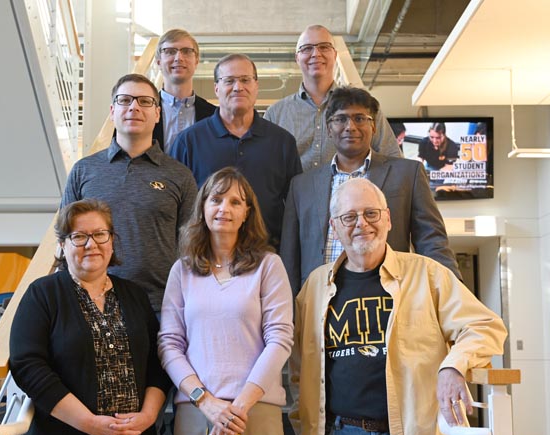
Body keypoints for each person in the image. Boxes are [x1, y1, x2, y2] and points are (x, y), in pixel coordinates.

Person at [289, 178, 507, 435]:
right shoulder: (315, 288)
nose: (362, 223)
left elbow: (485, 326)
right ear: (335, 227)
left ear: (388, 219)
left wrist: (454, 364)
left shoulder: (428, 275)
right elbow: (297, 373)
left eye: (371, 213)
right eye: (349, 217)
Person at [9, 199, 171, 435]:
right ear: (61, 246)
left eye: (100, 234)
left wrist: (147, 418)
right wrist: (90, 423)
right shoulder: (42, 295)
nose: (91, 244)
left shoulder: (134, 295)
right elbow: (28, 366)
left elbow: (157, 364)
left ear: (112, 241)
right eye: (79, 236)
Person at [158, 167, 294, 435]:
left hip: (254, 413)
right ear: (202, 207)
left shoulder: (268, 266)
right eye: (216, 199)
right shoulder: (183, 270)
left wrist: (237, 408)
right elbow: (169, 344)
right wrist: (206, 402)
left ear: (247, 212)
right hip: (195, 412)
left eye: (236, 201)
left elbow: (280, 338)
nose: (225, 208)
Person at [280, 86, 460, 297]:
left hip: (387, 297)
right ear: (329, 129)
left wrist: (454, 292)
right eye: (340, 119)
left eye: (359, 118)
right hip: (319, 300)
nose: (350, 126)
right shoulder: (301, 186)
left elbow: (432, 241)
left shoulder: (407, 174)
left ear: (374, 127)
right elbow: (289, 258)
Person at [62, 73, 197, 314]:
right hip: (92, 305)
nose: (134, 107)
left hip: (161, 307)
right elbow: (65, 240)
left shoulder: (180, 175)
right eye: (125, 100)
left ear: (157, 114)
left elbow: (192, 248)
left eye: (144, 101)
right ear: (113, 111)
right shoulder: (84, 170)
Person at [170, 53, 302, 249]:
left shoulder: (282, 142)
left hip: (266, 256)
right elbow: (175, 209)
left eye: (245, 80)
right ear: (216, 88)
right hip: (204, 257)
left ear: (256, 86)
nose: (238, 87)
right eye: (229, 81)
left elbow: (295, 209)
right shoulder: (188, 141)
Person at [264, 24, 402, 173]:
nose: (316, 53)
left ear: (335, 55)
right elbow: (265, 169)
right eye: (307, 48)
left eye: (324, 47)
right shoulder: (275, 114)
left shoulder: (364, 108)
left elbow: (393, 161)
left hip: (352, 194)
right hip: (295, 196)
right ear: (297, 58)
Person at [153, 28, 217, 153]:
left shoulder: (215, 116)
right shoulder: (142, 112)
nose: (178, 58)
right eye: (170, 51)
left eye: (186, 51)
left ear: (196, 60)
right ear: (159, 62)